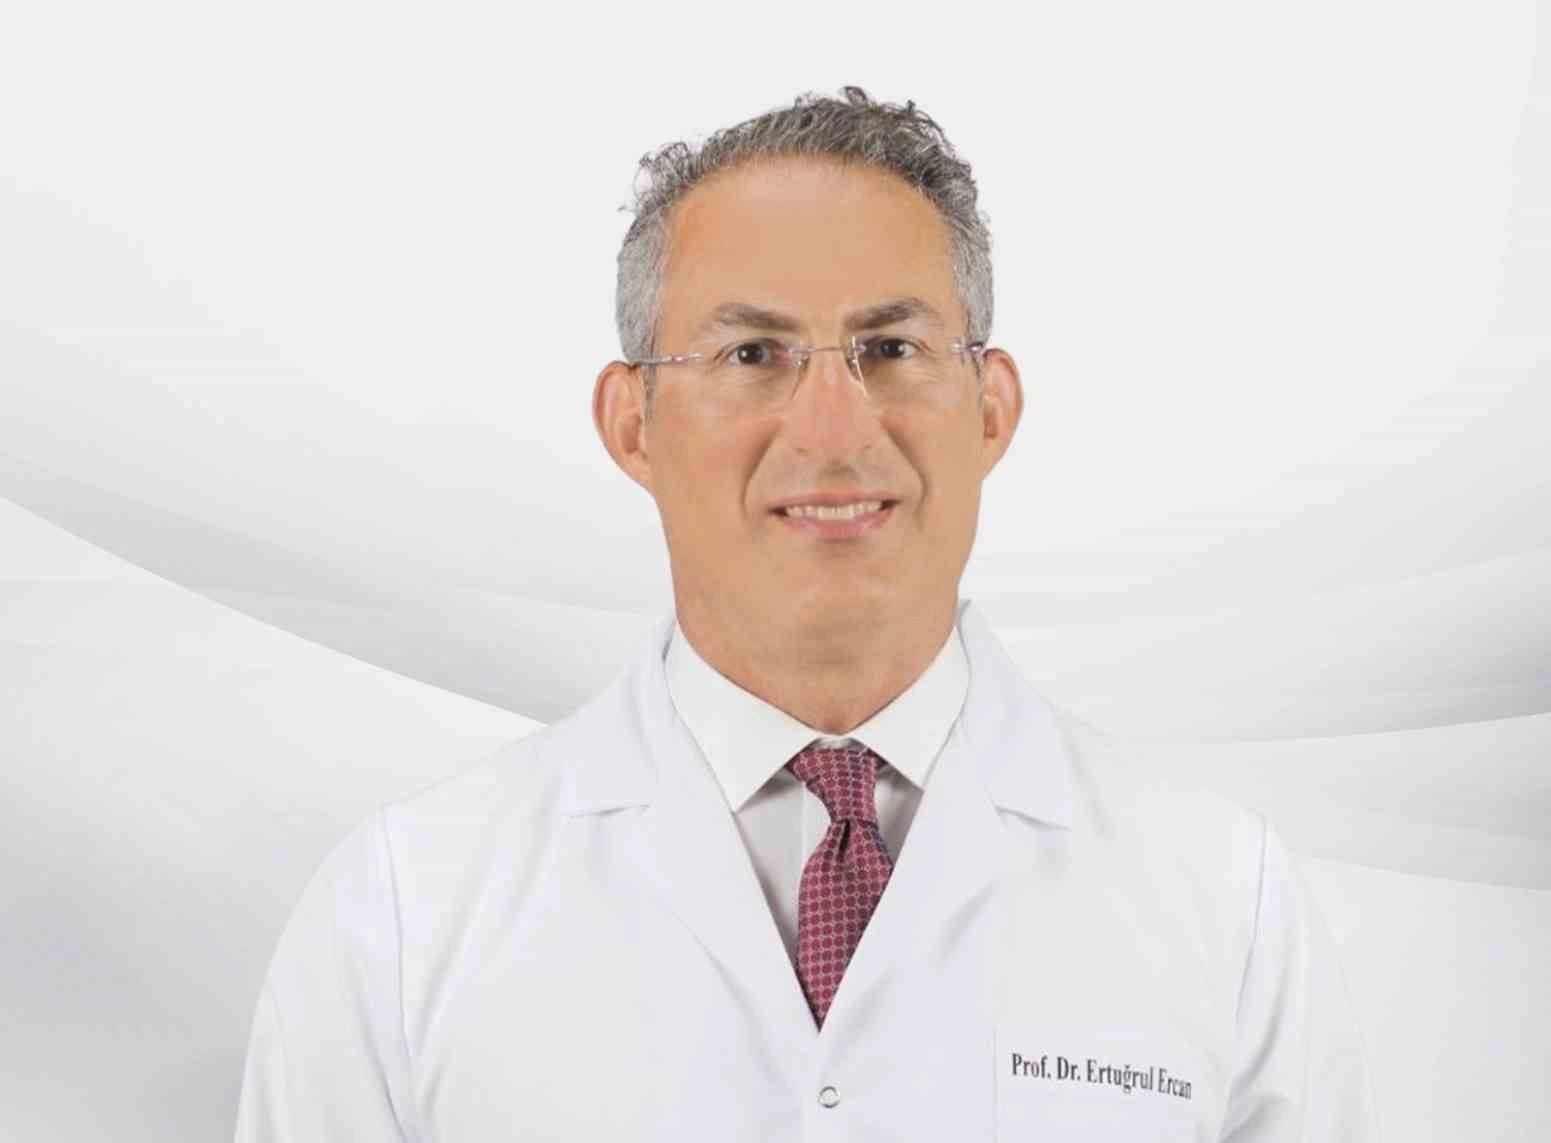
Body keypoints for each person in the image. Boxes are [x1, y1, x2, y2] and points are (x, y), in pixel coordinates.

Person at [234, 85, 1380, 1141]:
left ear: (990, 407)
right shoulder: (404, 913)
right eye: (753, 353)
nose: (833, 429)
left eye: (891, 349)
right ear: (632, 422)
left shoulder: (1221, 901)